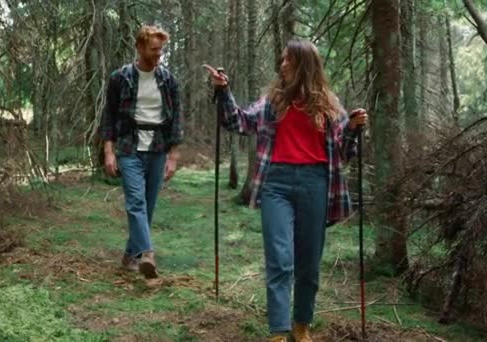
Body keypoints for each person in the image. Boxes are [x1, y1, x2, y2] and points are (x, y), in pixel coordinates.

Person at [204, 40, 368, 342]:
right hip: (276, 184)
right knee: (280, 258)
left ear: (304, 65)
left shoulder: (330, 105)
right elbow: (237, 121)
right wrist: (222, 91)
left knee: (308, 263)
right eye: (282, 60)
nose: (282, 66)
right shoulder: (272, 101)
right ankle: (279, 332)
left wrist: (355, 129)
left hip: (316, 184)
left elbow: (345, 152)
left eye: (288, 61)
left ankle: (301, 325)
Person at [101, 25, 183, 279]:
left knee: (147, 206)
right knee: (136, 202)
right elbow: (109, 116)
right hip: (128, 146)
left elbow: (176, 119)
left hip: (157, 148)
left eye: (161, 51)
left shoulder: (168, 80)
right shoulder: (120, 77)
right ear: (139, 47)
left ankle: (129, 256)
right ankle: (147, 254)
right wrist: (109, 152)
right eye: (153, 50)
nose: (158, 55)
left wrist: (173, 156)